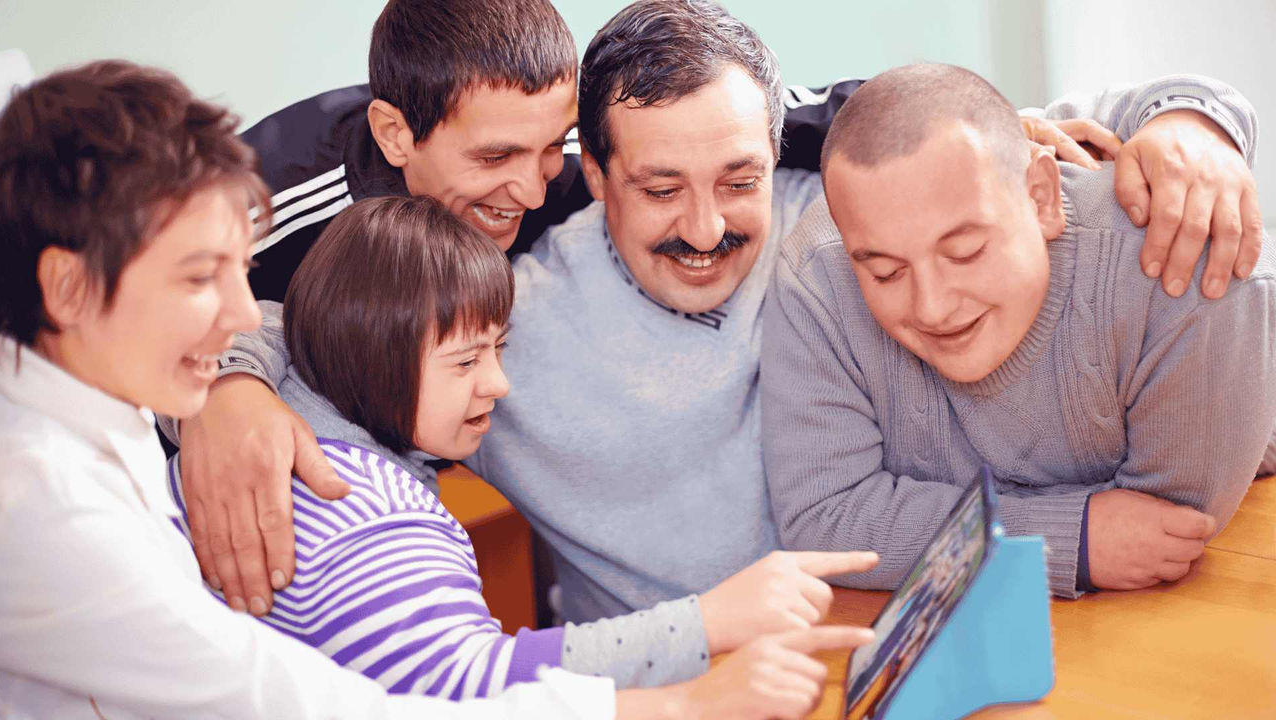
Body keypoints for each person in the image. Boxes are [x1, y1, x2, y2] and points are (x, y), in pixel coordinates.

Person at [217, 0, 1263, 624]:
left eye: (736, 178)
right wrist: (231, 385)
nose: (708, 228)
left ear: (774, 151)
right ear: (593, 174)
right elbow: (311, 355)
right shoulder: (498, 318)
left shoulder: (844, 199)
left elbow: (1027, 134)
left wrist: (1192, 123)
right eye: (659, 190)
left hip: (939, 629)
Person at [0, 59, 634, 720]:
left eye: (240, 271)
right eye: (196, 279)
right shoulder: (42, 507)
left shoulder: (103, 414)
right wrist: (665, 706)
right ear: (68, 288)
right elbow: (300, 700)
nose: (246, 315)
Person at [165, 195, 877, 706]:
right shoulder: (360, 509)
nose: (498, 385)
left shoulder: (295, 402)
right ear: (373, 355)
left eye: (497, 352)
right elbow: (474, 686)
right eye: (467, 362)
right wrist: (708, 629)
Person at [760, 63, 1276, 599]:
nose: (933, 308)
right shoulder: (818, 270)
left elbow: (1161, 535)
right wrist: (1059, 535)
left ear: (1041, 198)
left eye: (965, 252)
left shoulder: (1191, 267)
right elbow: (825, 518)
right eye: (886, 272)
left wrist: (1193, 115)